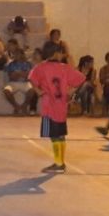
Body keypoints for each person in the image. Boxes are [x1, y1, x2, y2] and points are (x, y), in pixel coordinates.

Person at [29, 42, 87, 174]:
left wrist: (38, 91)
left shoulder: (41, 67)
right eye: (61, 52)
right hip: (61, 107)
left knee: (54, 136)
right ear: (55, 53)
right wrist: (71, 92)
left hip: (49, 107)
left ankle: (58, 163)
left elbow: (31, 78)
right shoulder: (64, 68)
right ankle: (61, 162)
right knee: (60, 135)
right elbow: (81, 78)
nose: (62, 55)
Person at [2, 48, 36, 115]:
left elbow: (28, 75)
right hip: (13, 83)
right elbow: (11, 76)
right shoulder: (10, 64)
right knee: (6, 91)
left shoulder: (28, 64)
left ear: (21, 54)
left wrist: (18, 73)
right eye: (14, 54)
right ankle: (16, 106)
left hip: (25, 82)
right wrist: (22, 73)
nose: (15, 55)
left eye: (17, 54)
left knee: (32, 91)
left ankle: (24, 106)